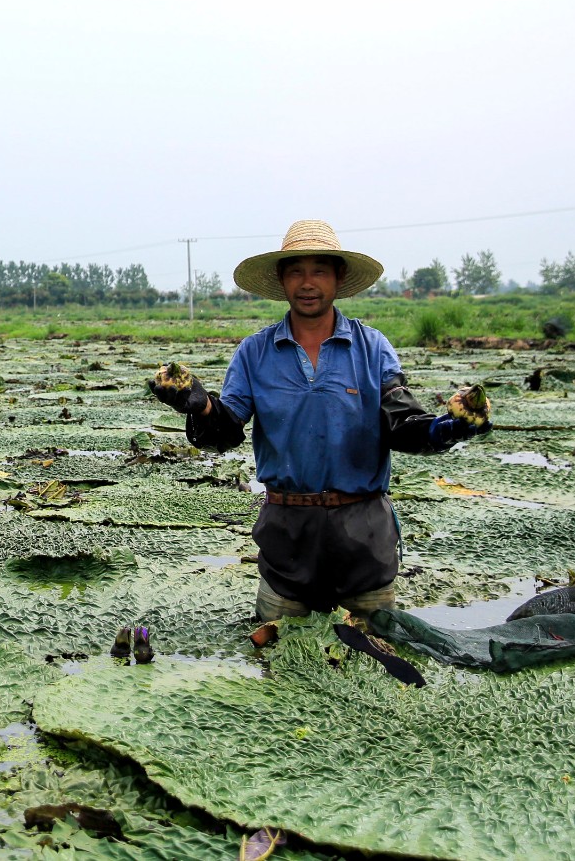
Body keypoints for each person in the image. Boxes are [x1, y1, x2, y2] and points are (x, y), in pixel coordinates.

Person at [147, 220, 491, 622]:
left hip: (364, 535)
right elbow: (225, 432)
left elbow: (402, 423)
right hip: (287, 536)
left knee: (374, 651)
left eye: (319, 271)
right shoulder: (254, 352)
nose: (307, 283)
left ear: (338, 278)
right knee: (277, 651)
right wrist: (200, 405)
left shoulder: (372, 347)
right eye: (296, 271)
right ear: (282, 279)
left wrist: (450, 426)